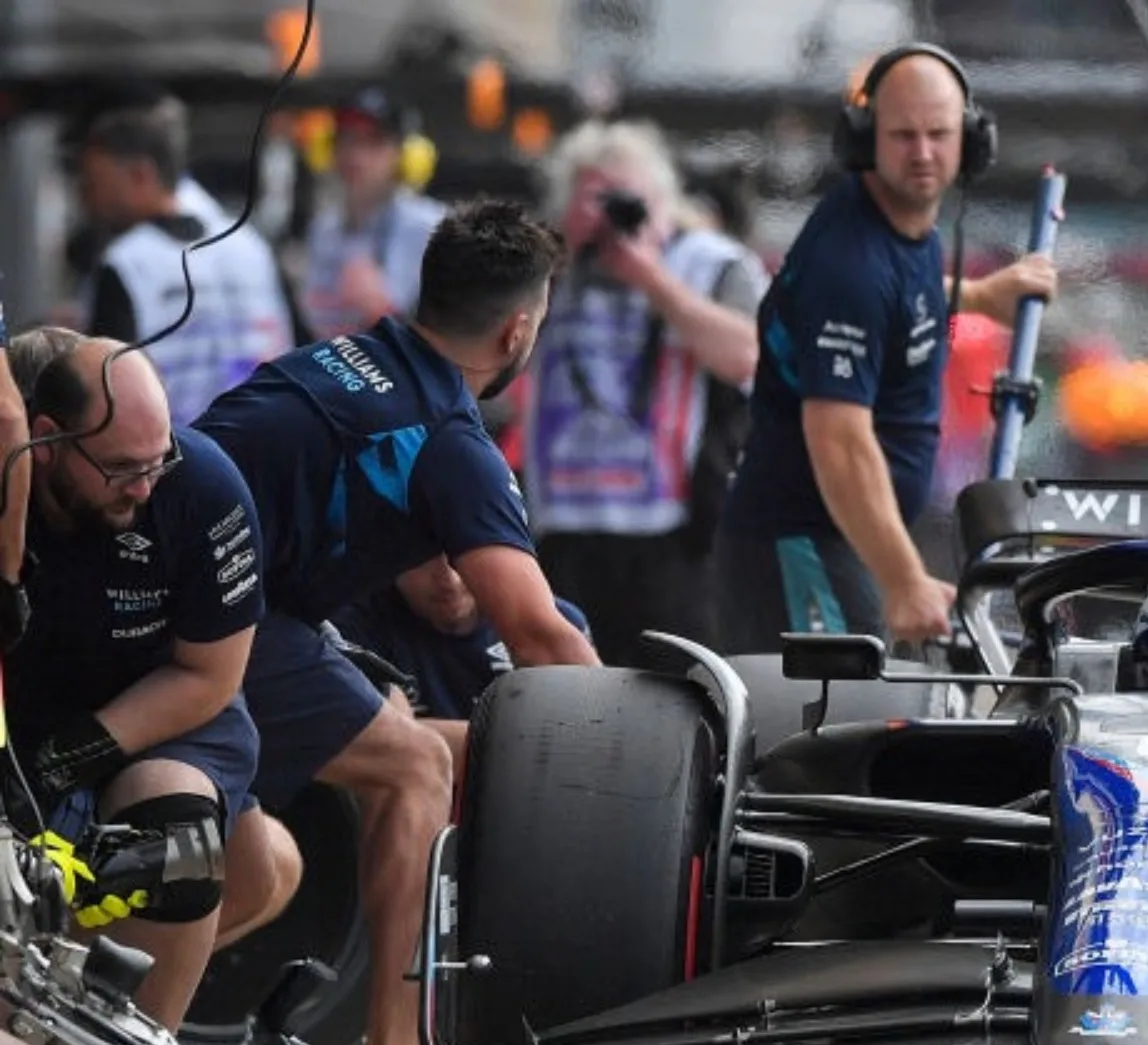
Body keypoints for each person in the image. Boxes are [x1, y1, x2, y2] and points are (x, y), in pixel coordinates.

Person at [191, 200, 596, 1045]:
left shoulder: (335, 357)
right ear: (519, 329)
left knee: (267, 869)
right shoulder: (446, 438)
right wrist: (647, 750)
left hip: (197, 594)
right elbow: (540, 638)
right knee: (415, 766)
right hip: (220, 612)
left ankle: (73, 1036)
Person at [0, 332, 303, 1045]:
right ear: (49, 438)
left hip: (164, 715)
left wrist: (70, 759)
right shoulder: (8, 482)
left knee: (180, 839)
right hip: (14, 719)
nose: (144, 482)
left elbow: (209, 676)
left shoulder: (200, 488)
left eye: (154, 459)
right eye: (120, 467)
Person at [715, 43, 1057, 653]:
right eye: (903, 135)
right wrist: (903, 581)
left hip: (839, 538)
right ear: (865, 139)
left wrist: (978, 295)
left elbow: (895, 306)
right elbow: (839, 441)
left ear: (970, 140)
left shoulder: (905, 228)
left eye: (939, 134)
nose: (923, 154)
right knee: (825, 735)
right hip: (803, 543)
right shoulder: (849, 262)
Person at [520, 119, 766, 665]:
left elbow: (751, 355)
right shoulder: (547, 269)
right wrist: (563, 251)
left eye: (630, 202)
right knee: (569, 698)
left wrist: (651, 279)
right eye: (597, 201)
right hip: (564, 528)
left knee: (677, 696)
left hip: (672, 531)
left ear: (664, 200)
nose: (615, 219)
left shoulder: (708, 263)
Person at [70, 100, 302, 425]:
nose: (87, 199)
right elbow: (300, 345)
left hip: (178, 458)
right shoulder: (251, 244)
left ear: (141, 175)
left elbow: (110, 390)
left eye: (95, 183)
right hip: (272, 439)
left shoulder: (125, 264)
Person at [329, 555, 591, 769]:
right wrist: (532, 744)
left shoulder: (556, 626)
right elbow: (373, 742)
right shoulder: (350, 626)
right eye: (426, 557)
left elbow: (589, 743)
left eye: (459, 554)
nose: (448, 578)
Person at [296, 88, 447, 340]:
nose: (355, 155)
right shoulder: (323, 229)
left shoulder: (432, 228)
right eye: (345, 140)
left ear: (407, 155)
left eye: (374, 142)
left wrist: (383, 310)